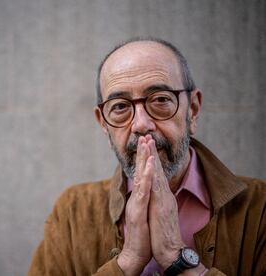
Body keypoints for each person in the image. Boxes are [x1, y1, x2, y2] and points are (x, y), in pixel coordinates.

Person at [28, 37, 266, 275]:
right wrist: (128, 261)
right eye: (120, 106)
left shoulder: (260, 207)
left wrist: (176, 256)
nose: (141, 124)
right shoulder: (73, 211)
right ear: (103, 123)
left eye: (161, 99)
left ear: (192, 109)